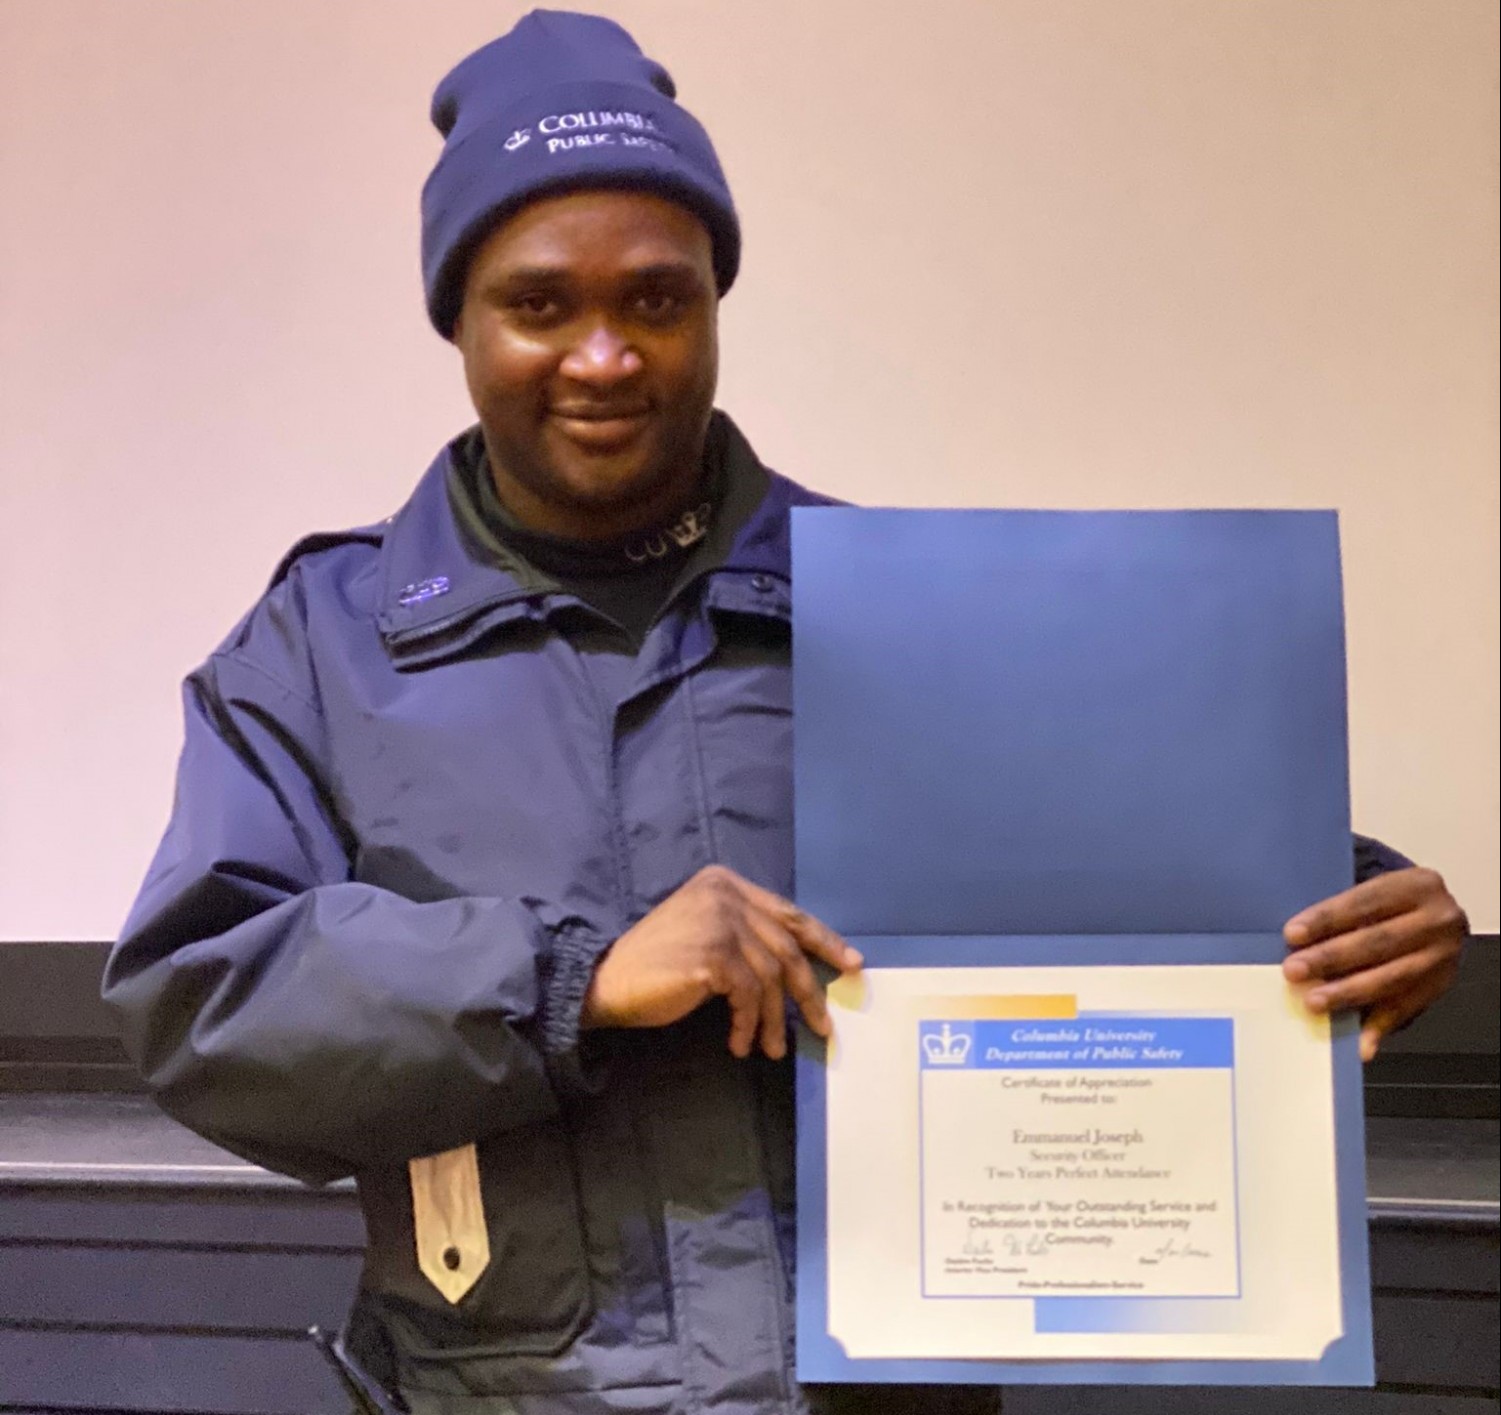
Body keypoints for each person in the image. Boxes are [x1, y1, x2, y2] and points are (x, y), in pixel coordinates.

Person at [101, 11, 1468, 1415]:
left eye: (656, 298)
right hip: (504, 1390)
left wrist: (1360, 912)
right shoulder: (323, 648)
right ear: (457, 318)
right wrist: (574, 981)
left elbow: (1136, 861)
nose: (603, 355)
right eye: (538, 303)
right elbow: (208, 998)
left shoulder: (895, 606)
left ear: (711, 303)